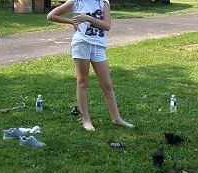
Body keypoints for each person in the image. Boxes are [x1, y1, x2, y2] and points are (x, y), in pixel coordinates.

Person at [47, 0, 134, 131]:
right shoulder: (76, 2)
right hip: (81, 44)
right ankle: (86, 120)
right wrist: (71, 22)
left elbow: (107, 25)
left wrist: (87, 18)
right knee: (82, 81)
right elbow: (51, 15)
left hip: (98, 46)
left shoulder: (103, 2)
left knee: (107, 84)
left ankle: (117, 118)